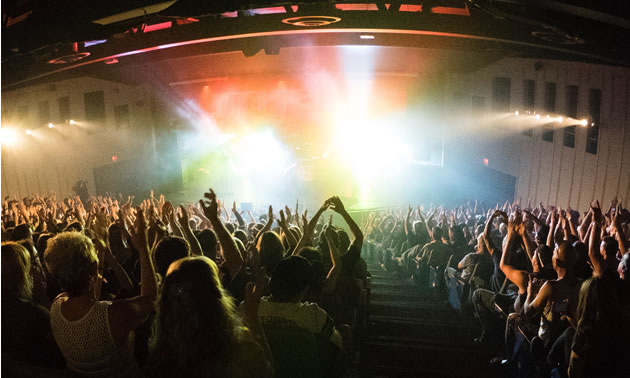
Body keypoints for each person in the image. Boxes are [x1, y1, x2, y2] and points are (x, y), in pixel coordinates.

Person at [44, 209, 157, 378]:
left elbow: (90, 301)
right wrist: (143, 247)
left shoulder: (56, 306)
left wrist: (102, 254)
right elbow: (150, 299)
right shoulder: (113, 315)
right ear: (93, 268)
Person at [148, 256, 273, 378]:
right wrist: (252, 317)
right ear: (216, 297)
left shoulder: (158, 358)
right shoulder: (242, 353)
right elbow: (268, 372)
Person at [1, 242, 65, 370]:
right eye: (32, 263)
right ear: (22, 273)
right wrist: (43, 297)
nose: (36, 269)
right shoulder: (36, 315)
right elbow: (63, 355)